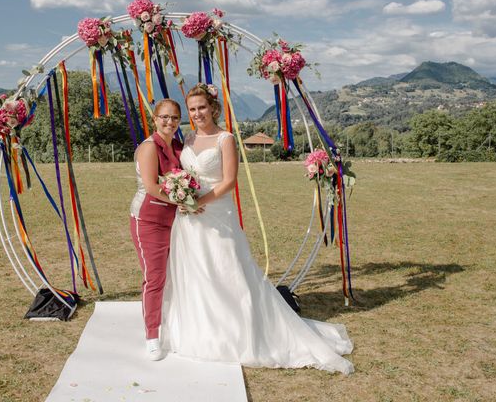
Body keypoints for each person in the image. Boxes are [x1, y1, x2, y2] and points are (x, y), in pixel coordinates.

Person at [161, 84, 354, 374]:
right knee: (195, 270)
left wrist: (198, 200)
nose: (197, 113)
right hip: (189, 216)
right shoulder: (187, 138)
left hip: (216, 212)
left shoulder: (225, 139)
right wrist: (183, 198)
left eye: (201, 107)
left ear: (213, 108)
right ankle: (203, 328)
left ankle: (239, 330)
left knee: (227, 268)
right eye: (192, 109)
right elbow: (183, 174)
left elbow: (228, 181)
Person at [129, 99, 183, 360]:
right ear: (154, 119)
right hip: (148, 221)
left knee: (176, 275)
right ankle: (152, 334)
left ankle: (175, 323)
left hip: (176, 221)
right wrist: (185, 202)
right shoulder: (150, 147)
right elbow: (151, 186)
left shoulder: (179, 146)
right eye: (164, 117)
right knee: (155, 278)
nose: (169, 122)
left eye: (174, 118)